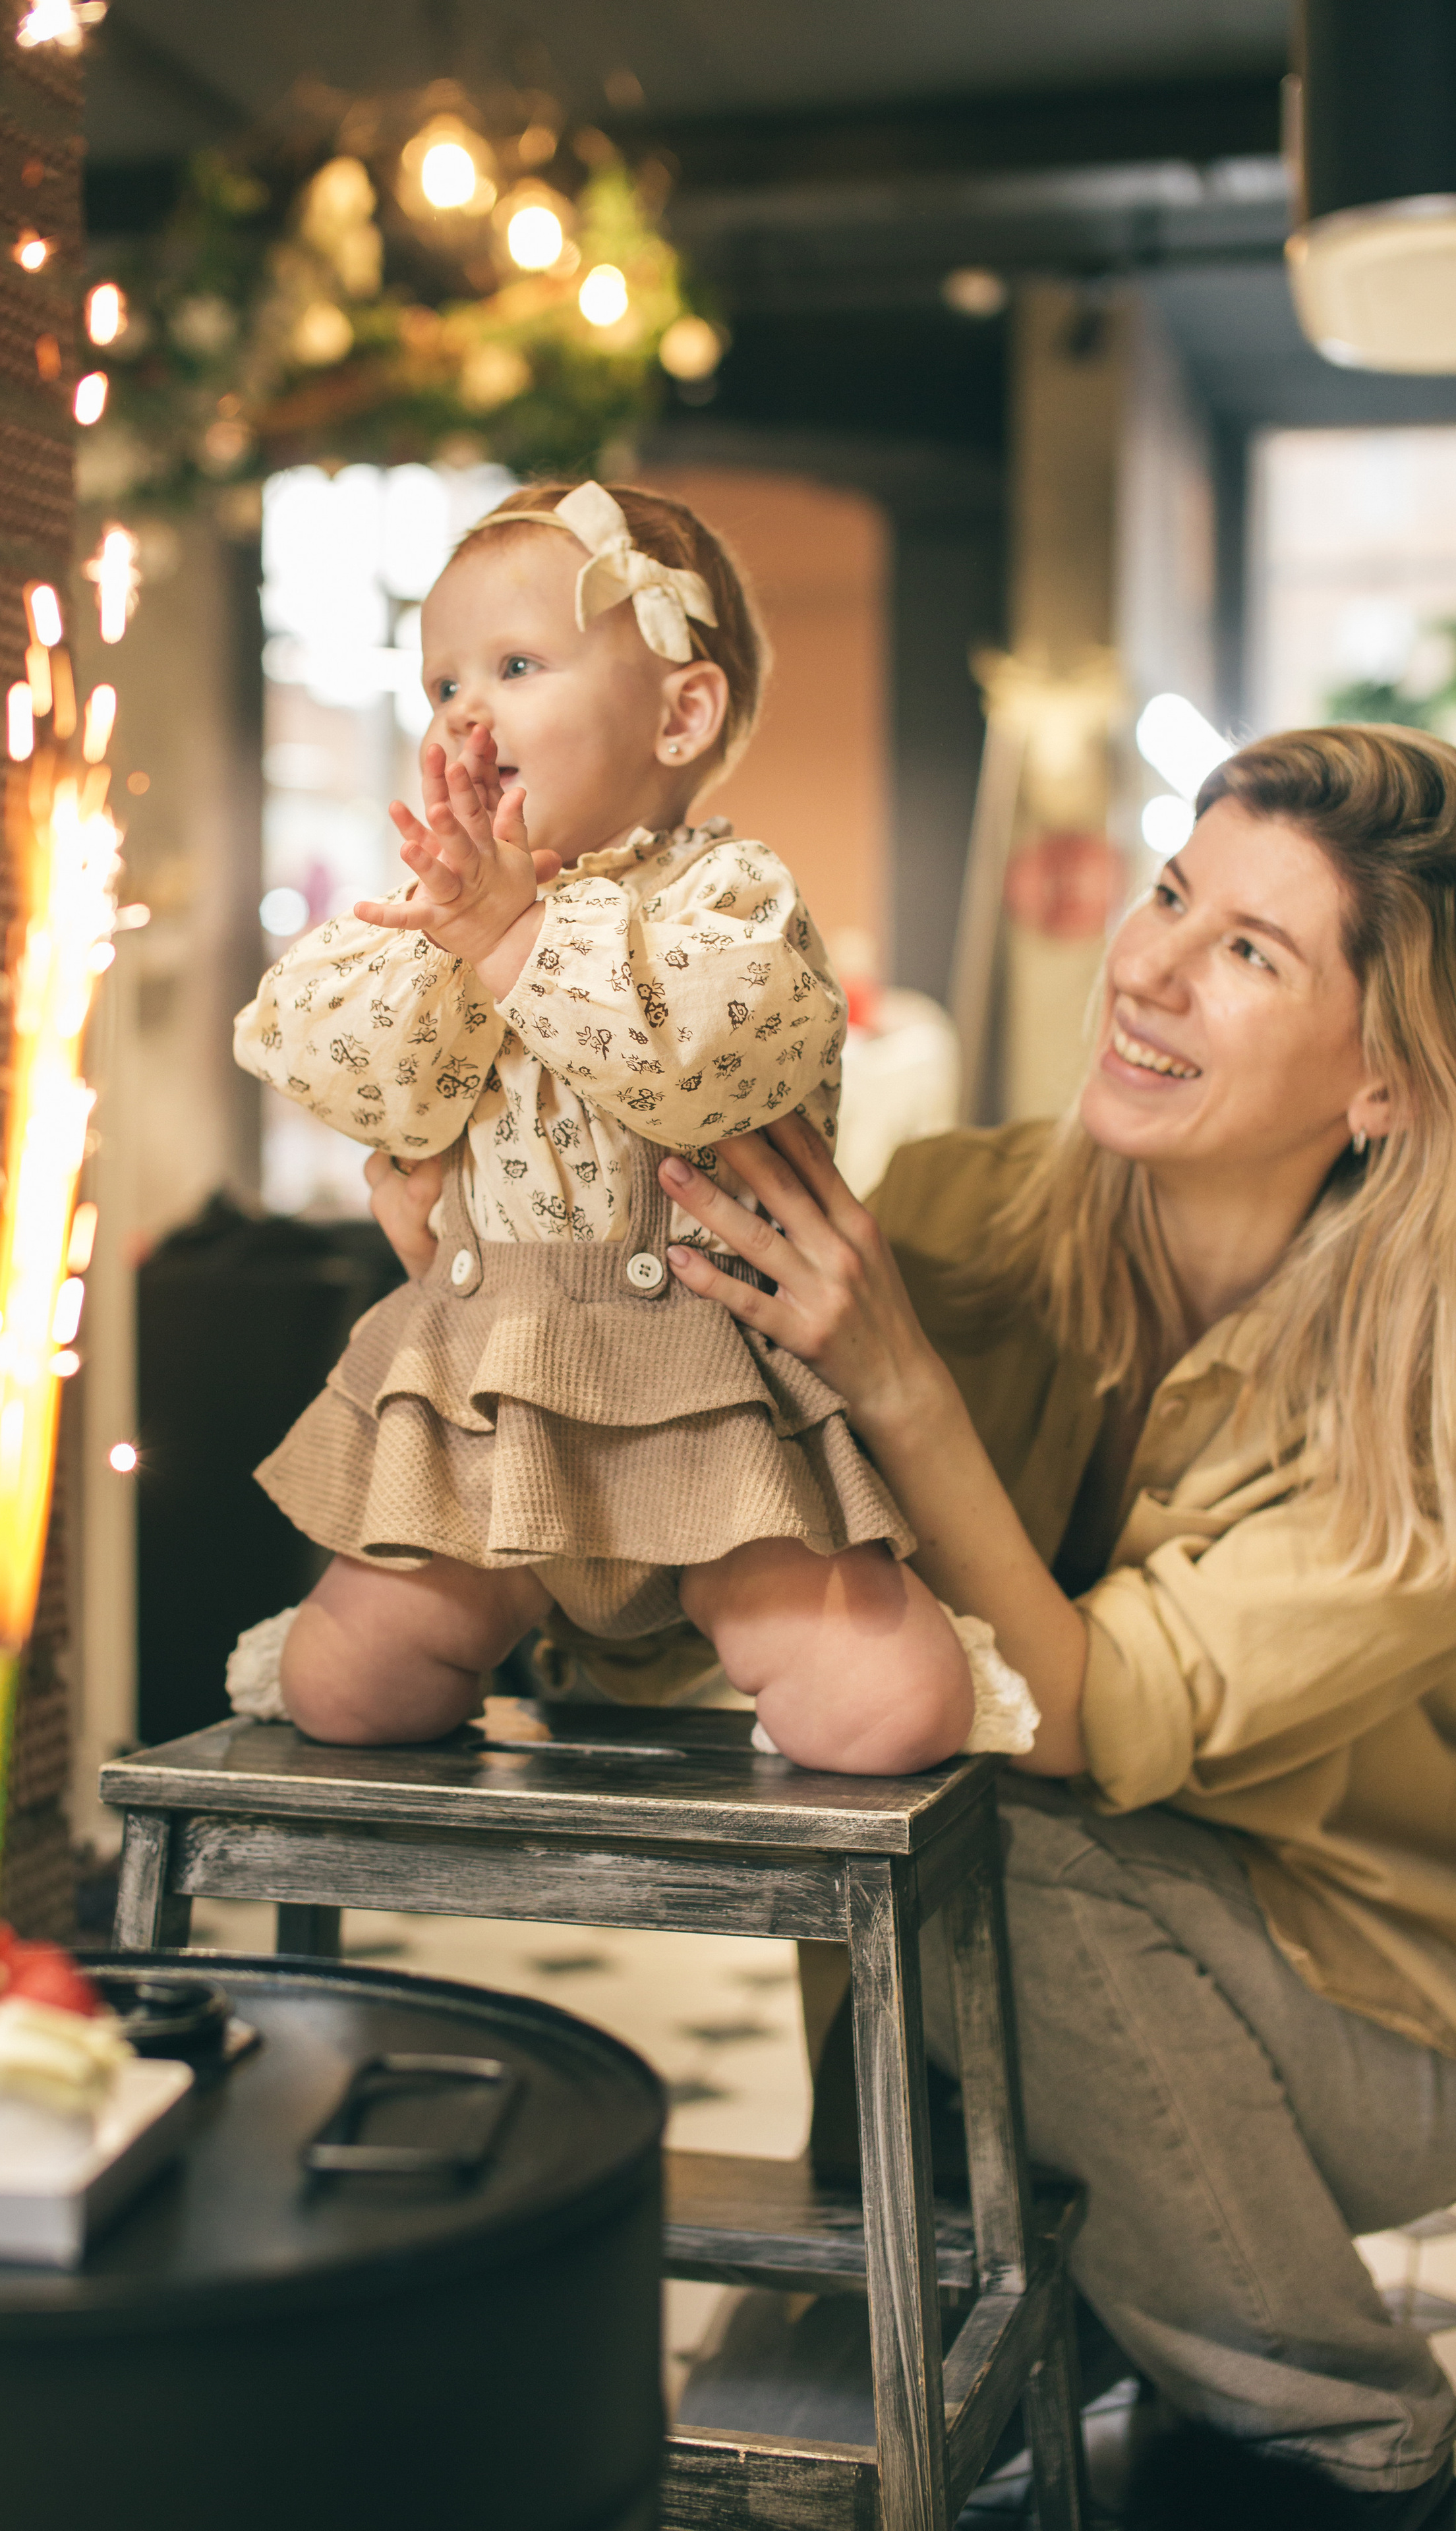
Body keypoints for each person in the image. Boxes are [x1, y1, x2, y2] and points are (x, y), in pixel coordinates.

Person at [366, 724, 1456, 2528]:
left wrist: (898, 1386)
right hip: (1012, 2003)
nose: (1150, 969)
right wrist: (507, 1306)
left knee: (984, 1813)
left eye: (1250, 953)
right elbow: (676, 1596)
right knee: (812, 2424)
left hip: (1373, 2021)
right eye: (1170, 895)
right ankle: (1100, 2317)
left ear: (1386, 1084)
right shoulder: (954, 1207)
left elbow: (1085, 1718)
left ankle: (1351, 2429)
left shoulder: (1423, 1400)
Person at [231, 480, 1007, 1773]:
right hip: (487, 1385)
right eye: (440, 685)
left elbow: (697, 1062)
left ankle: (859, 1664)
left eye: (515, 667)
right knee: (345, 1692)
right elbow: (327, 1059)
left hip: (703, 1393)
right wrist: (459, 940)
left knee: (885, 1714)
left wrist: (516, 935)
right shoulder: (431, 915)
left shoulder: (729, 897)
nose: (463, 711)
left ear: (680, 713)